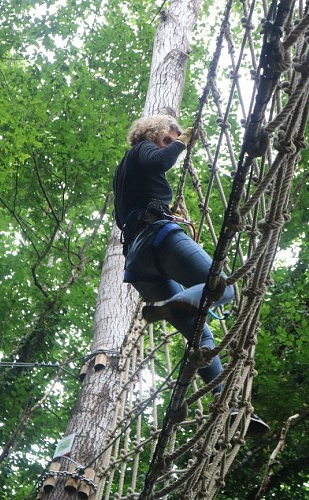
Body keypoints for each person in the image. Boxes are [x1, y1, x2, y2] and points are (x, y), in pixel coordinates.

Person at [113, 114, 269, 436]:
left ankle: (226, 404)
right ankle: (182, 299)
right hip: (157, 238)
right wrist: (182, 142)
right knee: (223, 289)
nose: (170, 145)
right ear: (152, 134)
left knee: (201, 336)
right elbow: (159, 161)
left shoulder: (126, 174)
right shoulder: (141, 151)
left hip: (140, 267)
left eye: (173, 140)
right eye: (166, 138)